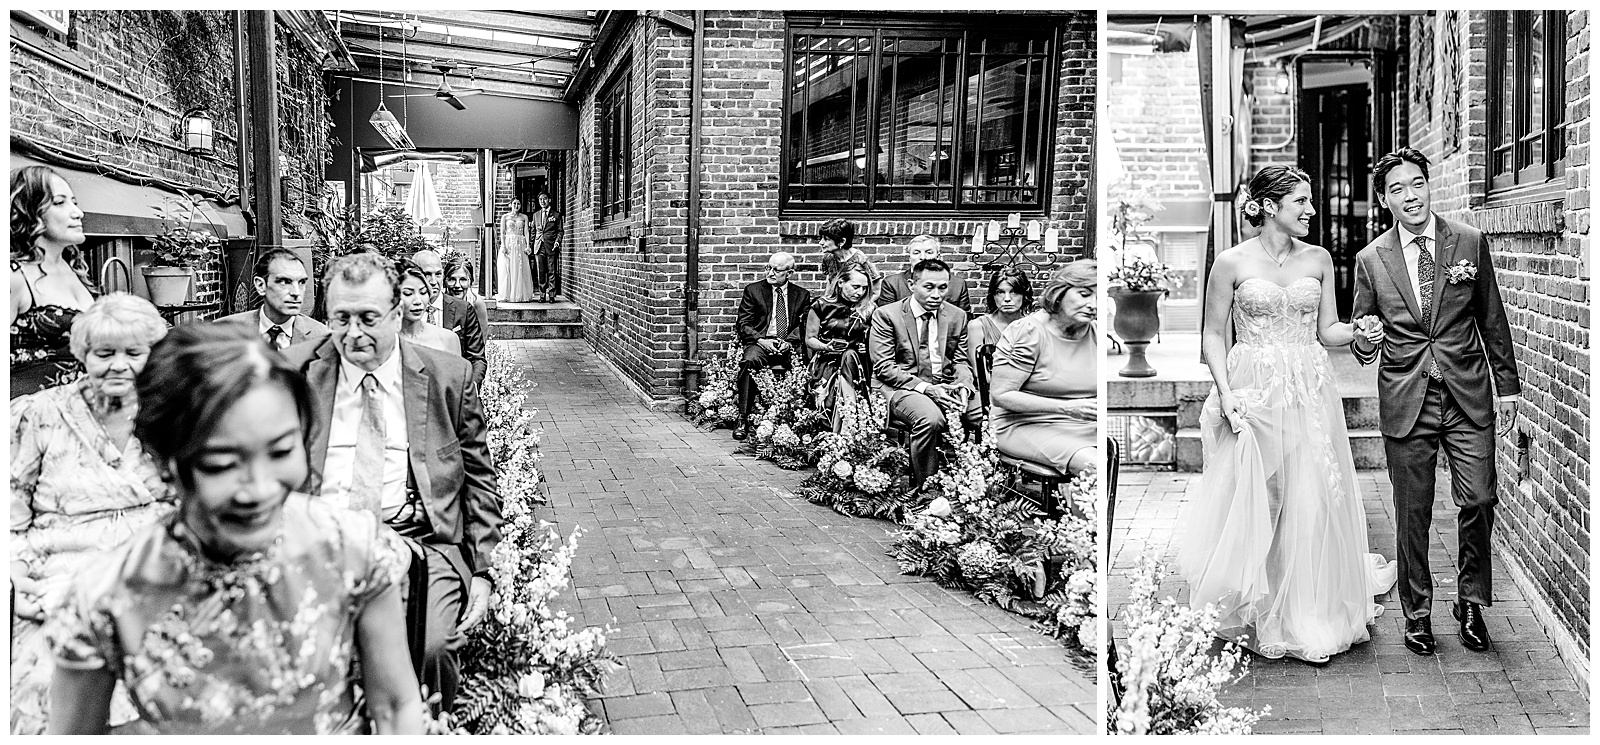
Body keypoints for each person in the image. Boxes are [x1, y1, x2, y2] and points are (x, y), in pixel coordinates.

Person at [43, 323, 423, 734]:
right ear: (163, 462)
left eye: (281, 451)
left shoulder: (350, 548)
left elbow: (395, 707)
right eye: (223, 464)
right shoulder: (109, 597)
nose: (259, 489)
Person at [1177, 165, 1397, 665]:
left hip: (1309, 388)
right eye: (1300, 201)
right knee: (1255, 497)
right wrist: (1226, 391)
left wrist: (1360, 334)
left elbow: (1328, 331)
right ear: (1269, 206)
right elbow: (1213, 336)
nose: (1311, 211)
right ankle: (1256, 599)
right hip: (1253, 387)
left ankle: (1306, 606)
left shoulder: (1318, 259)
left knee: (1311, 494)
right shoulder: (1230, 263)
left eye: (1310, 200)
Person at [282, 252, 501, 715]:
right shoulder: (295, 373)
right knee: (309, 653)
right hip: (321, 541)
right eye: (341, 318)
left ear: (397, 314)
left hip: (421, 540)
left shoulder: (446, 377)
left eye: (368, 318)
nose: (354, 333)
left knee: (431, 649)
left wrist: (483, 569)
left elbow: (479, 477)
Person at [1350, 148, 1520, 656]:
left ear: (1429, 186)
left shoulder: (1467, 241)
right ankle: (1417, 611)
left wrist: (1507, 387)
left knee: (1480, 499)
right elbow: (1362, 338)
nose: (1411, 195)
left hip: (1467, 393)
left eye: (1417, 184)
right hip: (1407, 398)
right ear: (1384, 200)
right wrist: (1366, 338)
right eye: (1397, 189)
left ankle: (1470, 602)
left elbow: (1492, 319)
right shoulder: (1370, 260)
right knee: (1412, 512)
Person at [9, 293, 173, 735]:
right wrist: (16, 571)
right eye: (104, 353)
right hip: (60, 577)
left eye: (133, 353)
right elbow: (11, 507)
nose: (118, 365)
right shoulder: (41, 413)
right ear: (83, 354)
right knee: (46, 687)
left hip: (151, 573)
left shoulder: (168, 413)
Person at [868, 258, 982, 491]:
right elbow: (884, 367)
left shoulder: (957, 315)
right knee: (931, 419)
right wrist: (927, 389)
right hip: (903, 387)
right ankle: (927, 490)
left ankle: (980, 488)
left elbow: (960, 360)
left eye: (943, 287)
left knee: (987, 413)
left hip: (946, 385)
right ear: (912, 285)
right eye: (929, 287)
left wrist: (964, 385)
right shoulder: (887, 315)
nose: (937, 294)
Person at [989, 262, 1098, 477]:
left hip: (1085, 424)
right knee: (1094, 466)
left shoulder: (1096, 332)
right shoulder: (1029, 331)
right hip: (1026, 424)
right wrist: (1067, 408)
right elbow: (1001, 395)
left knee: (1110, 456)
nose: (1093, 305)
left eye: (1099, 296)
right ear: (1059, 293)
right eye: (1084, 294)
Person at [10, 165, 96, 398]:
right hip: (28, 421)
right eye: (60, 203)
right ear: (30, 211)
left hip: (80, 415)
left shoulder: (74, 269)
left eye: (74, 202)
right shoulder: (14, 277)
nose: (77, 212)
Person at [733, 251, 814, 441]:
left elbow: (804, 326)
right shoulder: (753, 291)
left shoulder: (801, 295)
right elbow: (743, 324)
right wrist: (762, 340)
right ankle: (743, 418)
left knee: (805, 365)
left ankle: (801, 419)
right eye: (768, 268)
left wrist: (788, 342)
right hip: (761, 342)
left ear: (789, 273)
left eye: (776, 270)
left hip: (788, 344)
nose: (770, 273)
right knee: (748, 361)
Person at [216, 247, 330, 351]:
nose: (296, 292)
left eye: (301, 282)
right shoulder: (225, 332)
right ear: (261, 285)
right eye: (284, 282)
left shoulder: (322, 337)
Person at [803, 266, 873, 432]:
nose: (860, 292)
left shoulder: (868, 308)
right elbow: (810, 339)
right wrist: (826, 347)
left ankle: (848, 426)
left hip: (858, 363)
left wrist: (867, 345)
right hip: (827, 360)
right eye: (856, 287)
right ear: (841, 282)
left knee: (850, 356)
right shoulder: (821, 305)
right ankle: (839, 428)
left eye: (864, 288)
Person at [411, 248, 486, 385]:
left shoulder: (463, 310)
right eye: (427, 274)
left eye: (438, 274)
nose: (433, 281)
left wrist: (469, 391)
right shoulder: (404, 309)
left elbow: (477, 358)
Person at [966, 266, 1035, 386]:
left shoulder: (1033, 325)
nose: (1007, 299)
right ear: (993, 296)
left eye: (1014, 292)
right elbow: (979, 373)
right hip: (991, 391)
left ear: (1024, 295)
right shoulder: (978, 326)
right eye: (1000, 292)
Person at [877, 234, 972, 314]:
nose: (923, 257)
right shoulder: (892, 283)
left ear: (938, 256)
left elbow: (963, 320)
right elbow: (887, 317)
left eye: (929, 252)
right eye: (916, 253)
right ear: (909, 258)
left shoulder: (958, 285)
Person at [397, 260, 462, 355]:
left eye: (423, 292)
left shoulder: (448, 339)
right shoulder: (381, 339)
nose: (418, 301)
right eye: (408, 294)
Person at [816, 218, 884, 302]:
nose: (821, 242)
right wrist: (825, 303)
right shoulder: (828, 258)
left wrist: (861, 309)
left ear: (842, 241)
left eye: (826, 239)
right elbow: (830, 282)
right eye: (821, 238)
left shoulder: (860, 259)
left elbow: (876, 291)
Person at [495, 198, 536, 303]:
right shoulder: (505, 217)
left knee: (519, 268)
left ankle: (519, 294)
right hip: (509, 243)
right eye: (514, 203)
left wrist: (528, 245)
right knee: (507, 268)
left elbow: (526, 232)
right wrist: (503, 245)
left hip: (520, 244)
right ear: (510, 205)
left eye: (518, 204)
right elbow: (503, 232)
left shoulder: (524, 217)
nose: (516, 206)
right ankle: (507, 294)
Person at [443, 253, 490, 334]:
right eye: (452, 279)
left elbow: (482, 335)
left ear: (470, 281)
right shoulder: (440, 302)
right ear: (445, 281)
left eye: (463, 279)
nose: (457, 285)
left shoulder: (476, 302)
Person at [531, 192, 563, 303]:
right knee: (541, 271)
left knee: (552, 271)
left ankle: (552, 295)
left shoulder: (556, 215)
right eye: (540, 199)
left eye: (545, 199)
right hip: (539, 246)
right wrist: (531, 246)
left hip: (551, 246)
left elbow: (560, 231)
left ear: (549, 200)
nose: (542, 201)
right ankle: (542, 295)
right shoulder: (536, 215)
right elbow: (533, 232)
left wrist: (557, 241)